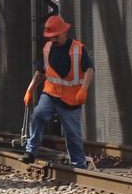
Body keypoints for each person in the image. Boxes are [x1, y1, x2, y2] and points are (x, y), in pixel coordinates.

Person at [20, 14, 95, 169]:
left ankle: (79, 165)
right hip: (51, 93)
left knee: (72, 133)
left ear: (64, 32)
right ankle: (31, 152)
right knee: (38, 116)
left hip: (71, 98)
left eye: (55, 36)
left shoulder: (79, 49)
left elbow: (89, 70)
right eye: (50, 37)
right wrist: (30, 90)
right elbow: (40, 73)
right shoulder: (47, 49)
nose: (52, 40)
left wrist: (84, 89)